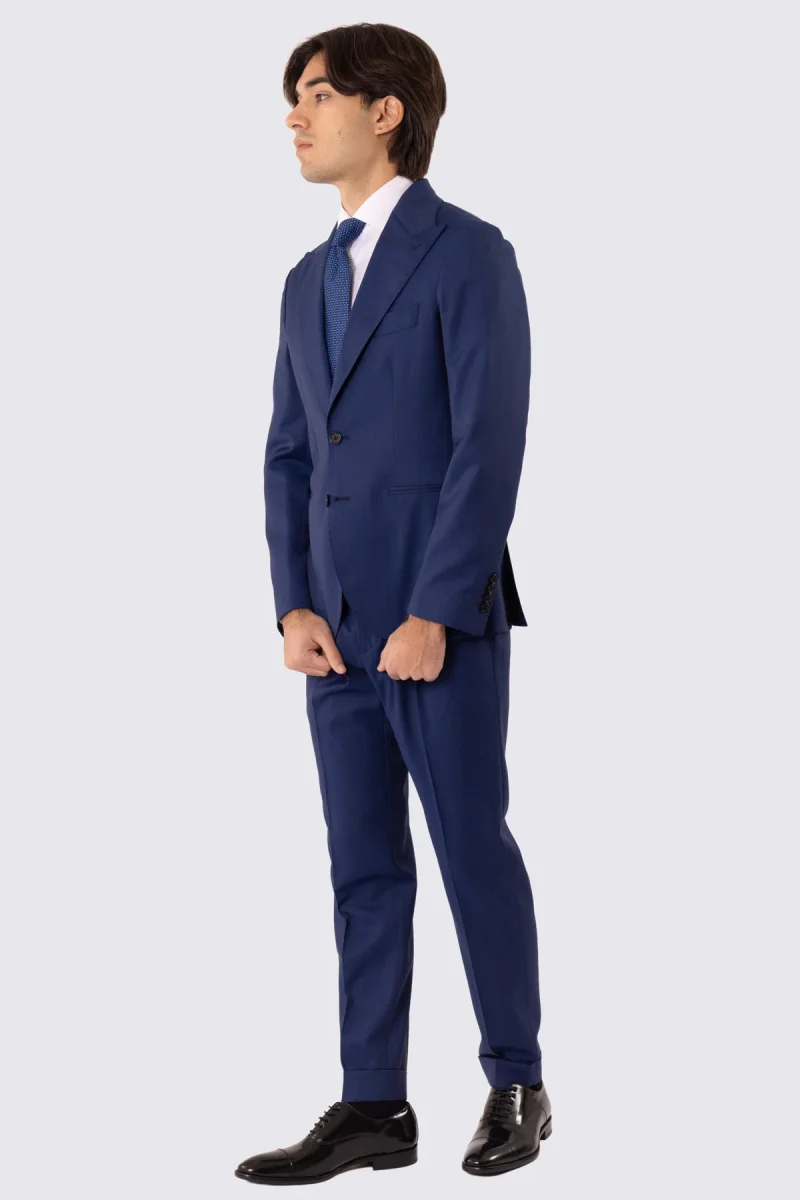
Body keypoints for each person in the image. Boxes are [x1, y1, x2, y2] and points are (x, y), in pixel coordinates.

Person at [235, 22, 552, 1185]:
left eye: (314, 94)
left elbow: (488, 441)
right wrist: (291, 604)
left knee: (469, 845)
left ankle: (516, 1080)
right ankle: (374, 1103)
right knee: (361, 867)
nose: (293, 115)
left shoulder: (468, 253)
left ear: (385, 110)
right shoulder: (304, 279)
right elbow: (288, 452)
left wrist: (436, 607)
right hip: (333, 629)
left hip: (434, 621)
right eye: (292, 96)